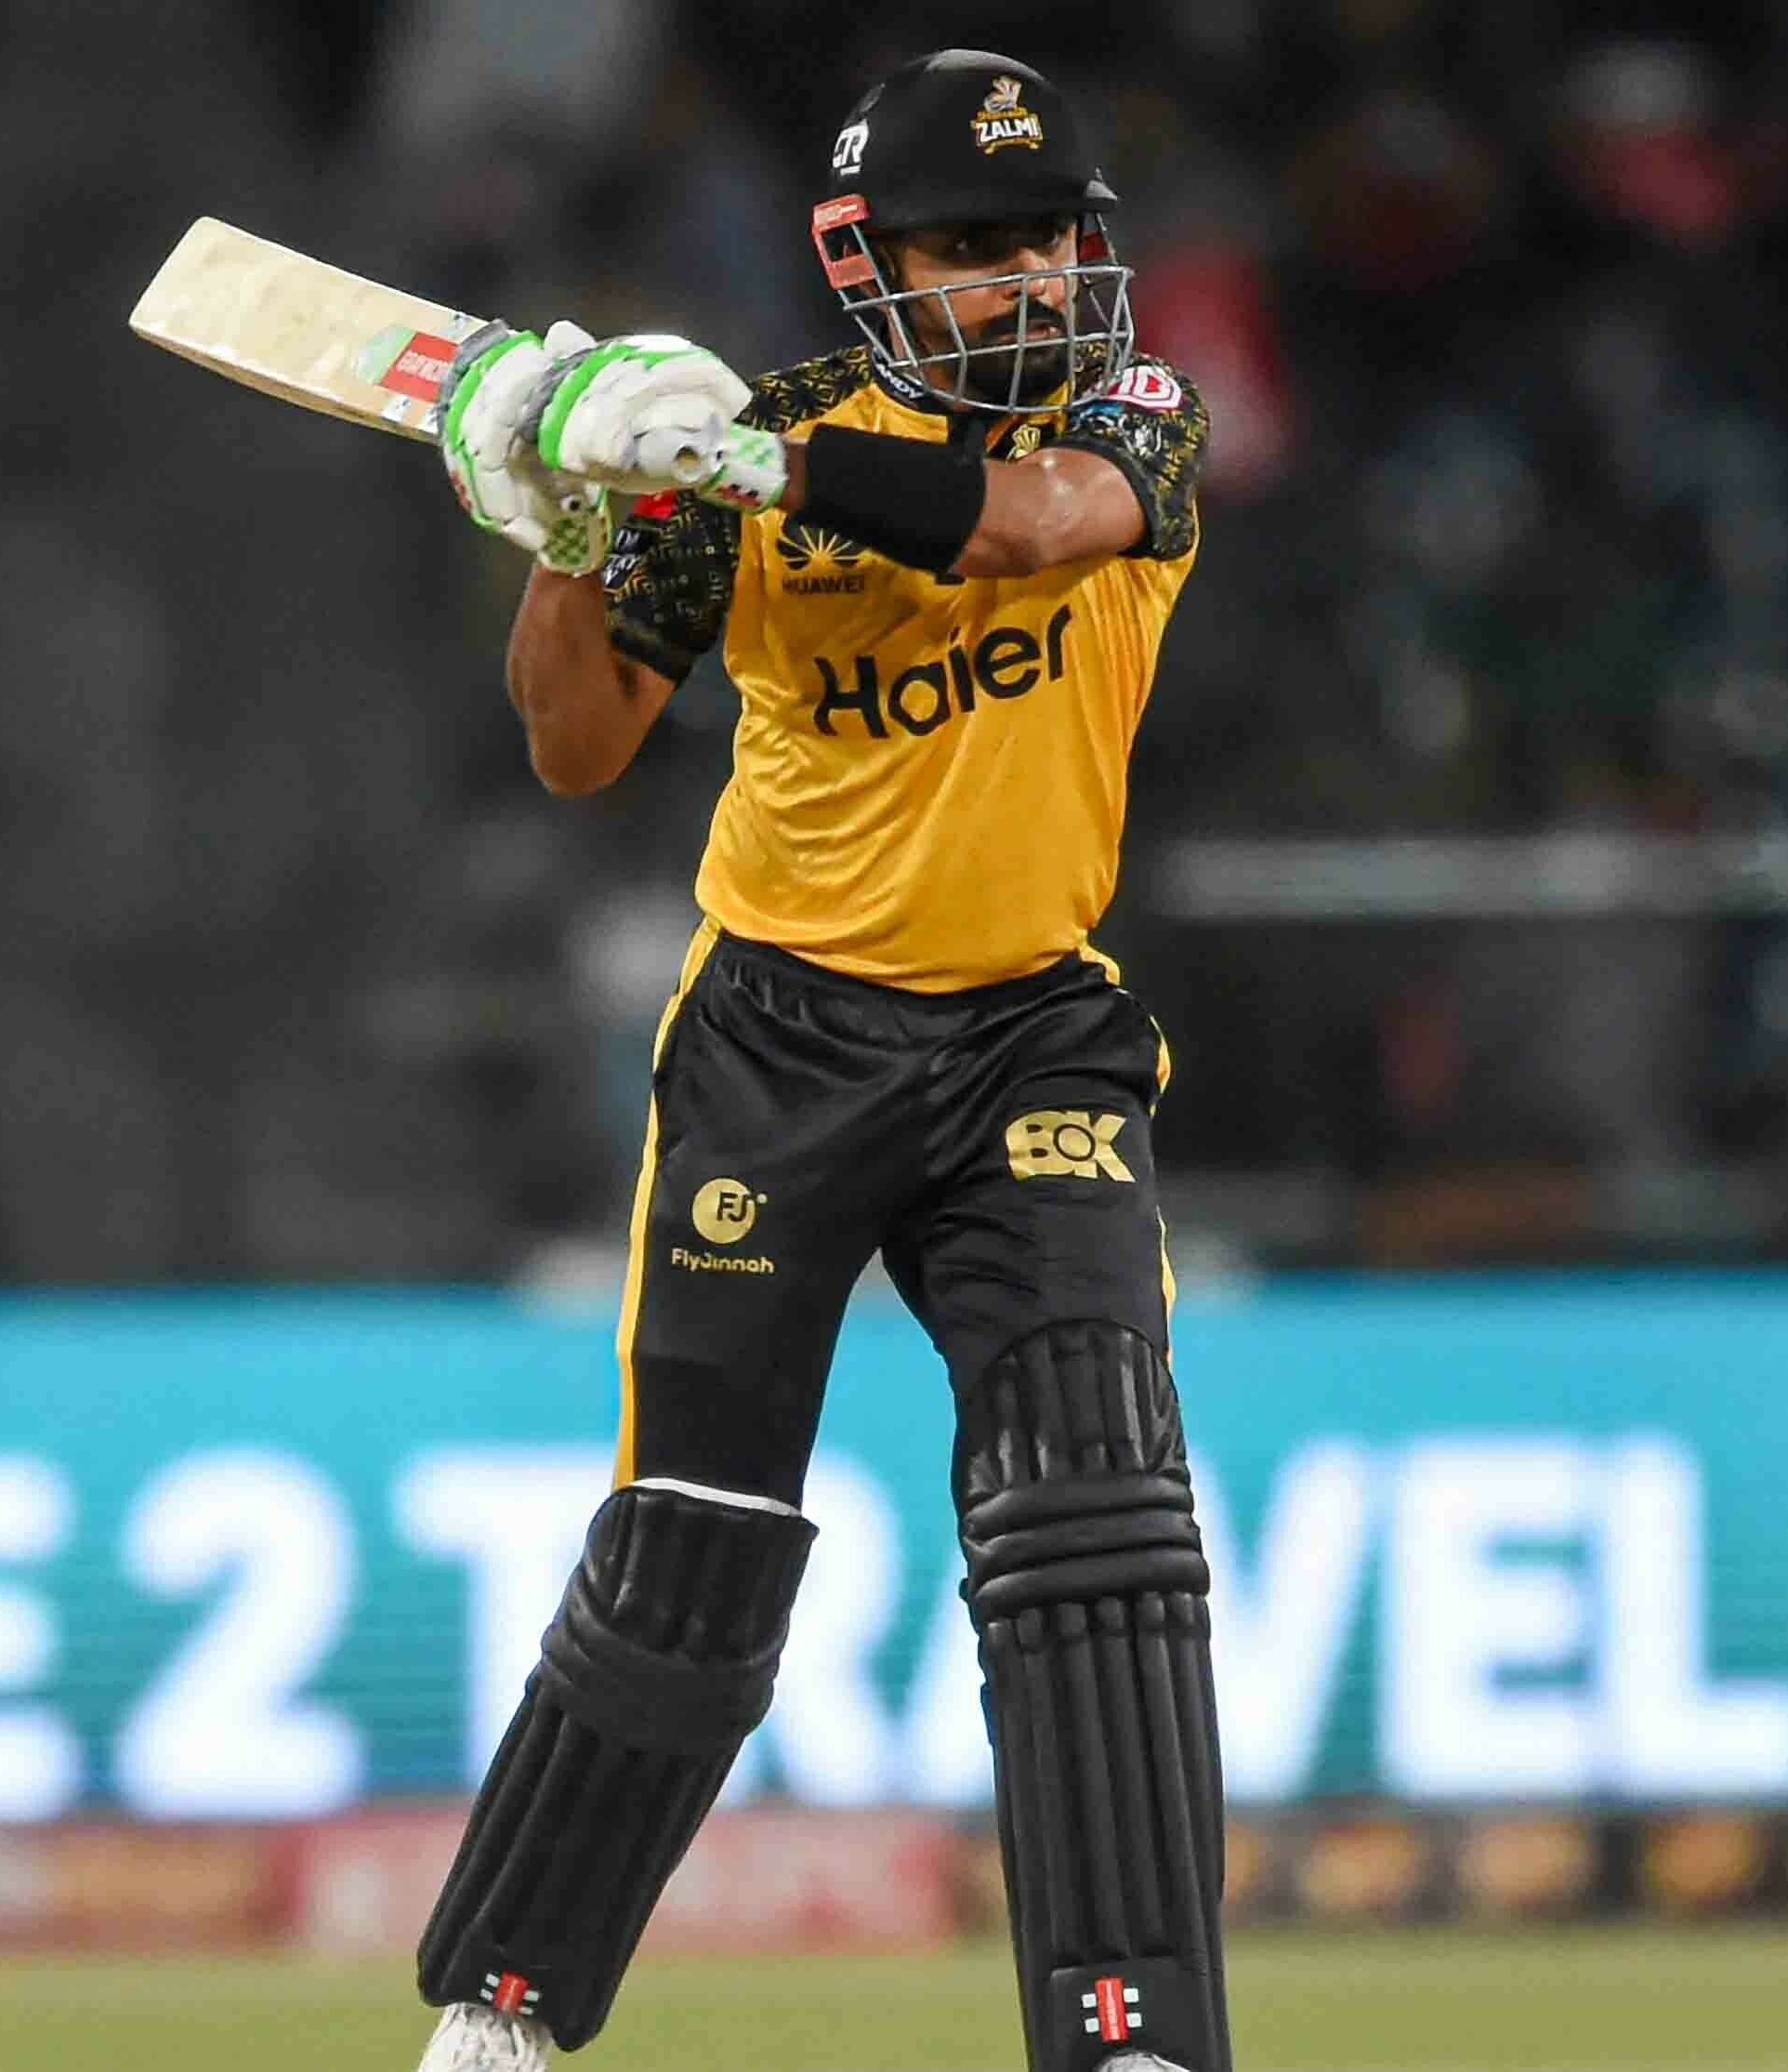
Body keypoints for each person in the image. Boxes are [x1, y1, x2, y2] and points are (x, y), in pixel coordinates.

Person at [412, 49, 1220, 2072]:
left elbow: (1032, 530)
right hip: (782, 1034)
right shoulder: (733, 453)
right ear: (871, 264)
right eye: (968, 251)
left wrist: (753, 468)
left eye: (1044, 237)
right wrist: (580, 504)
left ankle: (1126, 2034)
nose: (1020, 281)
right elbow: (575, 739)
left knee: (1094, 1519)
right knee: (691, 1542)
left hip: (1034, 1018)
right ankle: (503, 2018)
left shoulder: (1140, 413)